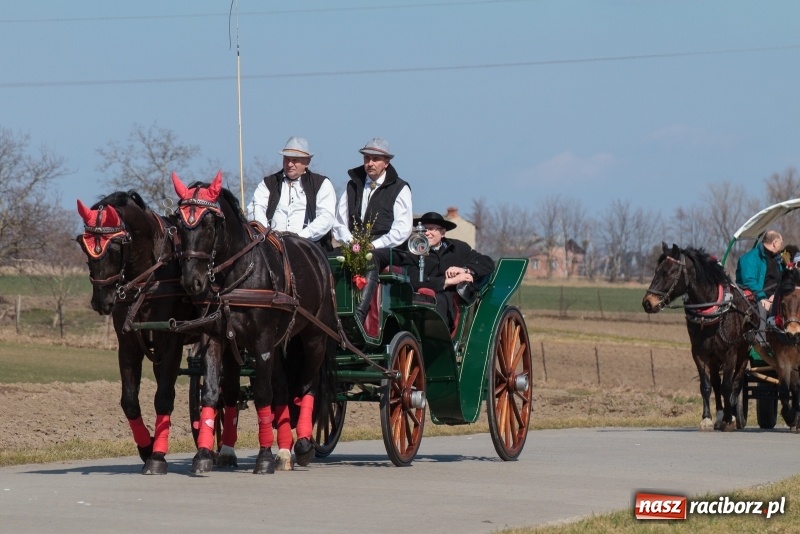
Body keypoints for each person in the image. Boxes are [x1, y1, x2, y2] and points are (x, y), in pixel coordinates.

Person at [332, 138, 413, 322]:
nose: (370, 163)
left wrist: (374, 245)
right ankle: (330, 312)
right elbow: (339, 223)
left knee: (371, 259)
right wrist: (352, 243)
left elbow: (402, 229)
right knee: (329, 258)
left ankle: (358, 315)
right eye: (367, 158)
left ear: (386, 163)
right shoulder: (353, 185)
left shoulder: (400, 188)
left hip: (389, 249)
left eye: (375, 159)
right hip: (354, 245)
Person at [387, 211, 495, 330]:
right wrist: (449, 281)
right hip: (419, 297)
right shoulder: (411, 251)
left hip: (450, 301)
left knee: (440, 301)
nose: (427, 233)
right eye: (423, 229)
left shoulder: (458, 248)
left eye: (432, 229)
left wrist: (465, 270)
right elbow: (412, 278)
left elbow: (487, 262)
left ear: (443, 232)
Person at [246, 136, 336, 250]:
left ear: (307, 161)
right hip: (271, 246)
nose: (289, 164)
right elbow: (255, 208)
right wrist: (267, 234)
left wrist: (300, 237)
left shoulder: (321, 184)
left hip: (307, 247)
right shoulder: (268, 183)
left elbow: (326, 217)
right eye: (287, 159)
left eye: (295, 160)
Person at [736, 230, 783, 344]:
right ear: (775, 243)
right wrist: (762, 297)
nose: (782, 246)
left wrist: (776, 295)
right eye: (781, 243)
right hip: (755, 295)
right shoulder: (749, 258)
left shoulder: (777, 259)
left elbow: (782, 278)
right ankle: (761, 341)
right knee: (762, 307)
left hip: (774, 295)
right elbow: (749, 281)